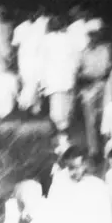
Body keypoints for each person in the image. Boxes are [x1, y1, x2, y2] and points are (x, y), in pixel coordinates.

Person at [77, 19, 112, 163]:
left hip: (102, 86)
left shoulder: (105, 49)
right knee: (90, 121)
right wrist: (85, 79)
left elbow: (106, 70)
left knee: (105, 119)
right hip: (88, 89)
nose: (94, 37)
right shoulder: (83, 52)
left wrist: (93, 76)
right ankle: (93, 151)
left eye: (96, 34)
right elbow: (79, 73)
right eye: (91, 35)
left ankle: (108, 149)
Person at [40, 16, 79, 146]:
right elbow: (76, 61)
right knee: (65, 109)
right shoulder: (70, 39)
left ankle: (62, 135)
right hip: (65, 79)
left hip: (55, 80)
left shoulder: (46, 40)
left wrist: (42, 82)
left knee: (58, 109)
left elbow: (41, 62)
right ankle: (63, 135)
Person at [12, 7, 47, 116]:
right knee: (29, 84)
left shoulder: (42, 26)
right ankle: (23, 107)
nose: (35, 14)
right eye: (33, 12)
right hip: (25, 61)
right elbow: (15, 46)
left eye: (37, 12)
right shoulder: (20, 28)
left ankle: (36, 110)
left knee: (37, 85)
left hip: (39, 60)